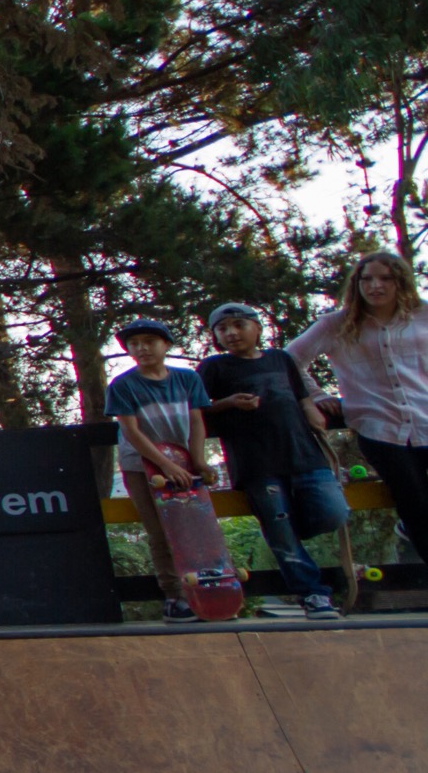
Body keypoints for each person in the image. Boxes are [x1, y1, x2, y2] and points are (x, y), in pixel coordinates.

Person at [197, 303, 343, 618]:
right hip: (256, 464)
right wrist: (229, 403)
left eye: (239, 324)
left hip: (305, 453)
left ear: (257, 327)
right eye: (222, 329)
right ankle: (313, 595)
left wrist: (312, 410)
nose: (231, 333)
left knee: (334, 511)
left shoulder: (281, 358)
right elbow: (195, 409)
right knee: (282, 535)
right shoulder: (214, 367)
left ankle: (292, 528)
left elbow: (302, 393)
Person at [287, 249, 428, 576]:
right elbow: (289, 360)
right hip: (380, 429)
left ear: (400, 281)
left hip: (425, 420)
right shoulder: (336, 324)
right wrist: (316, 394)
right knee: (415, 504)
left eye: (384, 278)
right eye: (366, 279)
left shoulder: (422, 315)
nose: (375, 286)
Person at [104, 316, 214, 621]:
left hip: (183, 464)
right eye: (134, 344)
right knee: (160, 531)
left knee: (195, 528)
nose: (142, 349)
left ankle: (210, 590)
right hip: (142, 467)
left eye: (149, 342)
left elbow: (196, 422)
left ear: (166, 345)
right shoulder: (123, 385)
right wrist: (164, 465)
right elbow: (131, 432)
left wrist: (198, 460)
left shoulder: (187, 379)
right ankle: (175, 596)